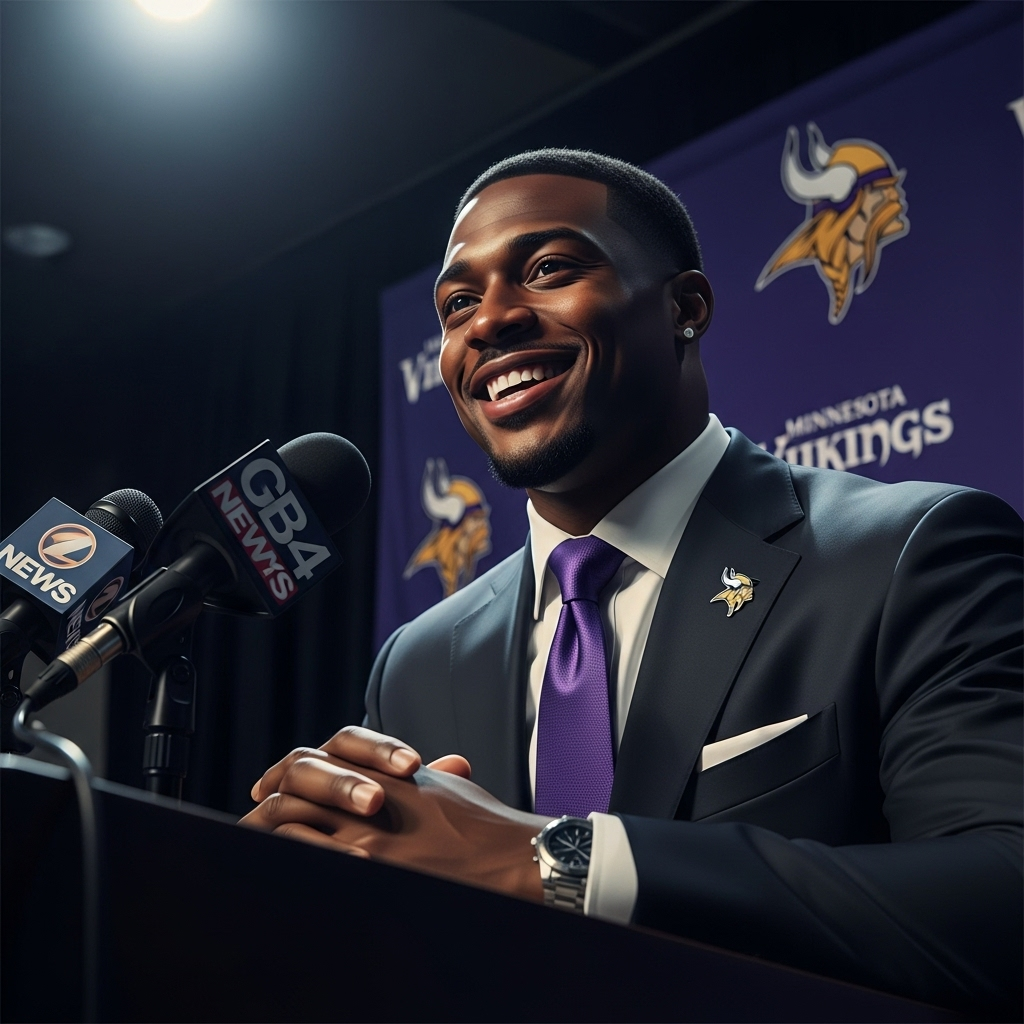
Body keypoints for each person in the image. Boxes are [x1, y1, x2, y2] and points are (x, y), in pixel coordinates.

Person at [241, 150, 1022, 1014]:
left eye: (548, 269)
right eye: (458, 304)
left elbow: (1002, 895)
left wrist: (554, 862)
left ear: (685, 308)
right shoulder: (421, 659)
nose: (489, 320)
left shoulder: (911, 549)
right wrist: (291, 912)